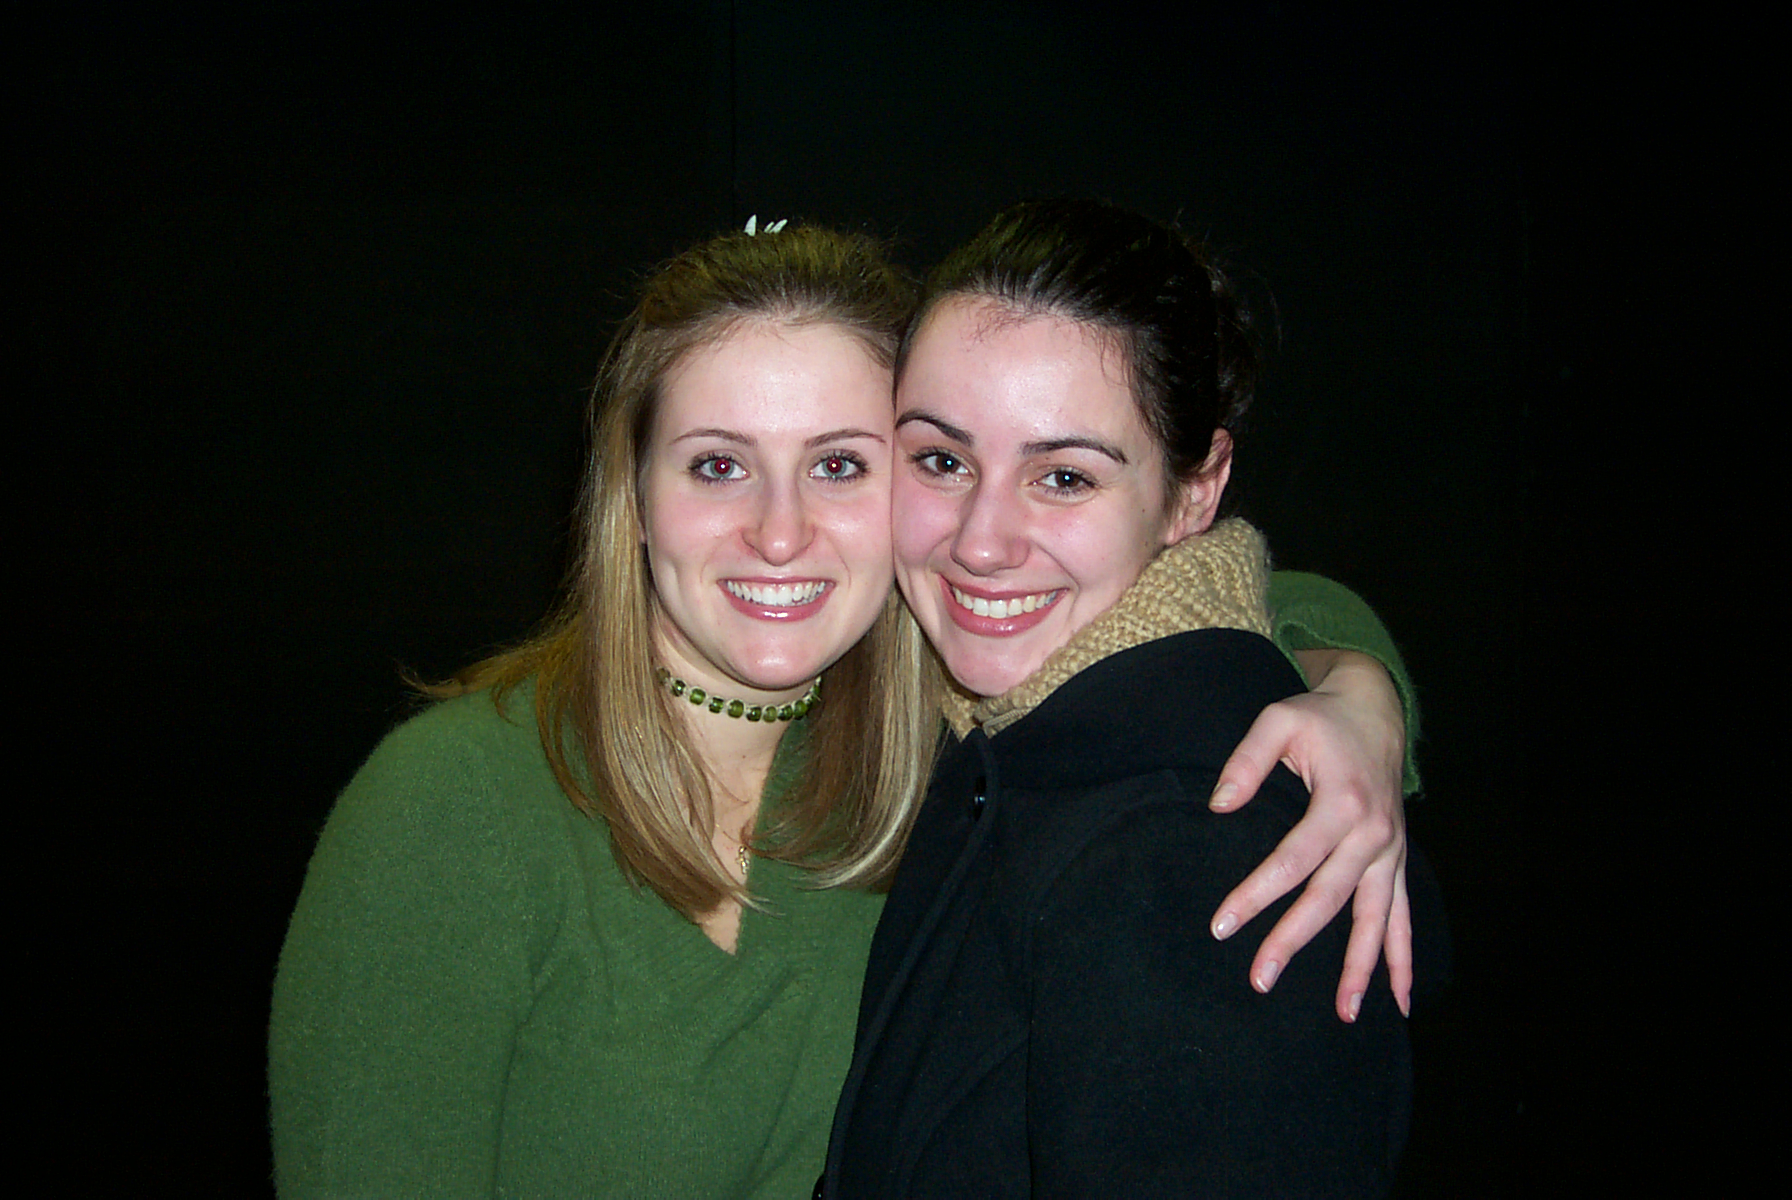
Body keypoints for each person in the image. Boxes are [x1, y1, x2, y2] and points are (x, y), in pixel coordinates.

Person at [271, 219, 1420, 1199]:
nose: (779, 532)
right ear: (631, 495)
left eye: (839, 465)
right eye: (718, 464)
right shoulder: (453, 809)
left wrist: (1353, 691)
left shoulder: (933, 726)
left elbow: (1234, 587)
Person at [822, 200, 1443, 1198]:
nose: (980, 541)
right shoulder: (996, 739)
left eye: (1063, 477)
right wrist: (1356, 675)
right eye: (942, 460)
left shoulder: (1203, 848)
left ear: (1195, 491)